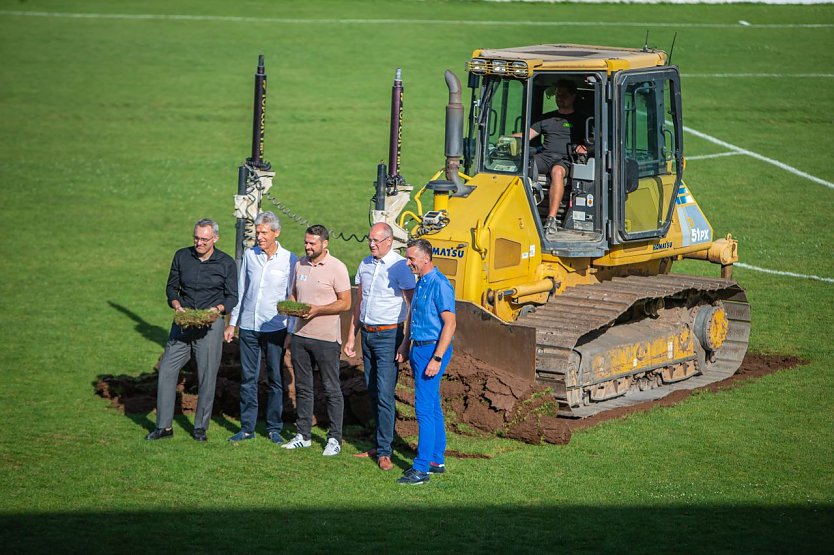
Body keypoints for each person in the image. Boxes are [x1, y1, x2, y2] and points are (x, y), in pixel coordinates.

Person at [146, 219, 238, 442]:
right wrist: (177, 306)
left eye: (204, 239)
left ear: (215, 239)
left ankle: (200, 428)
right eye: (196, 238)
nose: (199, 243)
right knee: (167, 370)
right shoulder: (182, 256)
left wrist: (217, 310)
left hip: (210, 326)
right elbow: (171, 287)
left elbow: (232, 296)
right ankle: (164, 427)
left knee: (207, 376)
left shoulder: (226, 263)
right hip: (183, 324)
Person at [344, 223, 415, 471]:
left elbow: (411, 306)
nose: (371, 244)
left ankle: (385, 451)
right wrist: (352, 336)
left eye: (375, 241)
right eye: (369, 240)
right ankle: (380, 441)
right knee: (373, 390)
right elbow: (359, 301)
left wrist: (406, 342)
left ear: (388, 241)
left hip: (389, 336)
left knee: (385, 392)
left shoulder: (400, 267)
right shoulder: (365, 264)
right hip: (368, 334)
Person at [224, 212, 297, 444]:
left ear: (276, 233)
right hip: (248, 326)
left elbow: (292, 297)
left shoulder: (289, 259)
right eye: (258, 233)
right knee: (248, 378)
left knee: (275, 378)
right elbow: (242, 290)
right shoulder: (249, 255)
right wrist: (233, 323)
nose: (260, 237)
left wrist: (291, 331)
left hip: (276, 327)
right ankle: (247, 428)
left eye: (264, 233)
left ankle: (274, 427)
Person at [282, 224, 352, 456]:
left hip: (326, 339)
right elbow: (293, 293)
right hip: (301, 337)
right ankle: (303, 434)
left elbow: (345, 303)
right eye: (306, 242)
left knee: (331, 388)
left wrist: (317, 310)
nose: (308, 246)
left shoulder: (337, 268)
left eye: (312, 243)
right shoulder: (299, 264)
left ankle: (334, 438)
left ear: (325, 244)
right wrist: (292, 309)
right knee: (303, 387)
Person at [398, 238, 456, 485]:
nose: (408, 262)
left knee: (423, 409)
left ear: (425, 259)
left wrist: (437, 357)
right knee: (432, 405)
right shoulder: (421, 281)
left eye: (411, 258)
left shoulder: (440, 284)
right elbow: (414, 315)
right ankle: (435, 459)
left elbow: (450, 324)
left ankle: (421, 469)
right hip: (419, 348)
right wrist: (404, 344)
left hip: (432, 350)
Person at [525, 79, 587, 240]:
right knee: (524, 166)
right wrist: (507, 141)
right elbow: (527, 136)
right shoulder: (547, 118)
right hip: (545, 156)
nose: (560, 98)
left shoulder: (581, 120)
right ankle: (525, 213)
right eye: (558, 95)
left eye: (564, 95)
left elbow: (592, 142)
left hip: (566, 158)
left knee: (557, 172)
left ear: (573, 97)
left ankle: (550, 220)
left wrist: (584, 147)